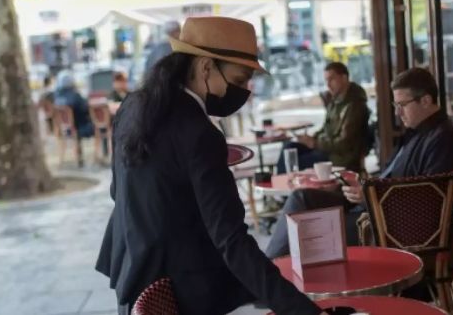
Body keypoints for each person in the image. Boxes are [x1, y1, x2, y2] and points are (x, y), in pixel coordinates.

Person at [96, 17, 322, 315]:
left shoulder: (133, 106)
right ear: (205, 67)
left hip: (134, 280)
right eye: (240, 80)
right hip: (178, 296)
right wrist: (302, 310)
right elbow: (231, 239)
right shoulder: (200, 134)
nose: (244, 91)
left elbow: (119, 190)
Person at [265, 67, 453, 258]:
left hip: (392, 228)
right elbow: (394, 176)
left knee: (308, 229)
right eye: (396, 106)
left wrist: (370, 195)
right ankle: (267, 270)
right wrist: (365, 186)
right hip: (376, 208)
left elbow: (427, 201)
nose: (398, 113)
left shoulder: (443, 140)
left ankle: (267, 278)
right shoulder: (418, 131)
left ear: (426, 101)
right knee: (303, 198)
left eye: (402, 105)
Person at [275, 62, 370, 174]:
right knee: (289, 147)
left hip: (338, 157)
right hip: (326, 149)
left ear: (344, 78)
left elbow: (344, 144)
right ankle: (281, 185)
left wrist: (315, 143)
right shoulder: (335, 100)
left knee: (296, 162)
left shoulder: (355, 105)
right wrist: (310, 139)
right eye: (326, 80)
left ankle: (284, 187)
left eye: (332, 79)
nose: (328, 85)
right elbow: (326, 128)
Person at [54, 71, 94, 138]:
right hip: (81, 129)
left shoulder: (57, 97)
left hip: (65, 130)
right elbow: (86, 108)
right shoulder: (75, 96)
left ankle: (78, 147)